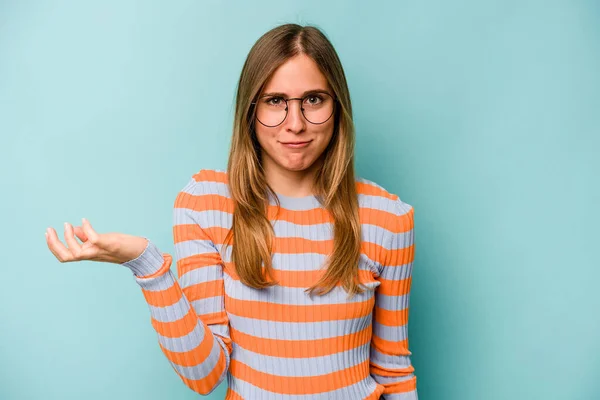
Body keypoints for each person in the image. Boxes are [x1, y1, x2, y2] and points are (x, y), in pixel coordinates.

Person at [45, 23, 418, 399]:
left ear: (337, 106)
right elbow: (204, 374)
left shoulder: (387, 218)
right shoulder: (208, 204)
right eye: (275, 101)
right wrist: (147, 265)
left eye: (314, 99)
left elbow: (394, 371)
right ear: (250, 111)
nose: (295, 123)